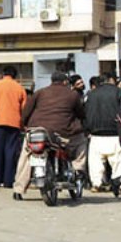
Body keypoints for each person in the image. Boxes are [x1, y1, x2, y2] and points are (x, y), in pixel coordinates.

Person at [12, 72, 87, 200]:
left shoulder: (40, 92)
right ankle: (78, 169)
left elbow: (26, 112)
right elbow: (81, 113)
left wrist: (24, 126)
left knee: (26, 155)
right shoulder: (72, 94)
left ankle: (19, 188)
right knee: (81, 142)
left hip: (37, 130)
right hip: (62, 133)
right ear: (65, 82)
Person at [84, 72, 121, 193]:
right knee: (118, 160)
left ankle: (96, 183)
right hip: (115, 132)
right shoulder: (118, 92)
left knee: (95, 161)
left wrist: (87, 129)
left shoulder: (91, 94)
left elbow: (86, 112)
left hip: (96, 133)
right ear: (111, 80)